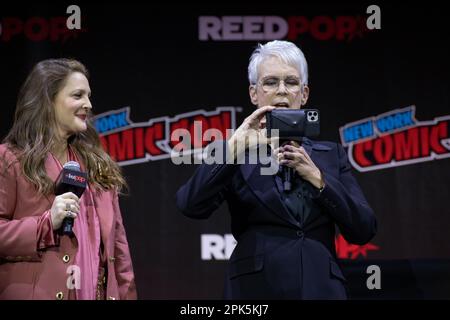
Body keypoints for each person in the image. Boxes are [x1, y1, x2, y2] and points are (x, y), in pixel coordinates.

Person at [176, 40, 377, 299]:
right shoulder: (235, 153)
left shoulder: (330, 155)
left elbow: (364, 229)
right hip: (254, 292)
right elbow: (190, 205)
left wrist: (317, 179)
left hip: (320, 289)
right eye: (270, 82)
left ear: (304, 94)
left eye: (291, 82)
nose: (282, 91)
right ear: (254, 93)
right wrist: (233, 148)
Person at [0, 59, 136, 300]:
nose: (88, 104)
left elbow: (119, 252)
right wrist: (45, 223)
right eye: (78, 95)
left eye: (89, 95)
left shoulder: (98, 166)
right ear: (48, 100)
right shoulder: (10, 159)